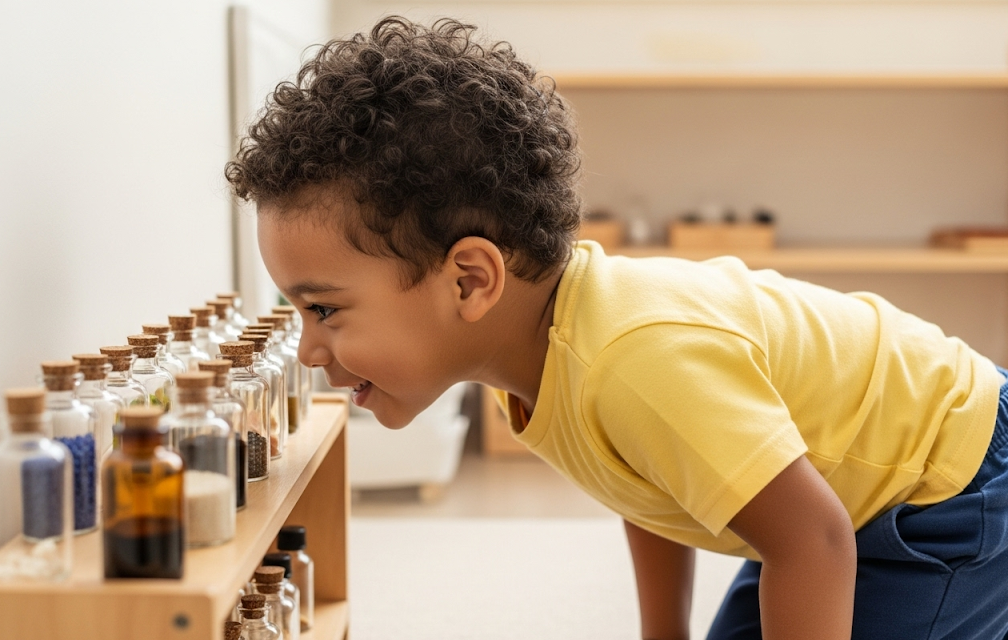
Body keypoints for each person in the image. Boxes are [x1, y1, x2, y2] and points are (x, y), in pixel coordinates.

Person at [225, 16, 1008, 640]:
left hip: (948, 489)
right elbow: (647, 476)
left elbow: (815, 545)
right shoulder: (531, 352)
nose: (309, 348)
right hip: (842, 502)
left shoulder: (633, 359)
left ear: (470, 280)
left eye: (323, 309)